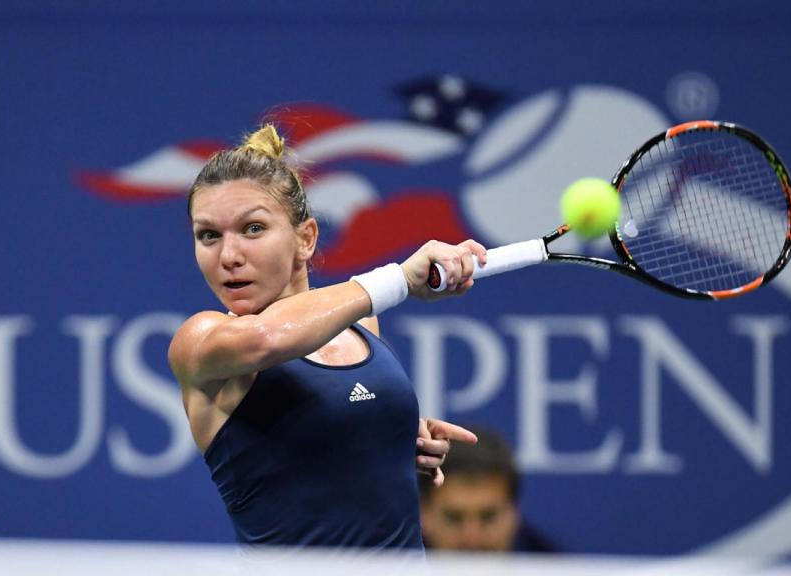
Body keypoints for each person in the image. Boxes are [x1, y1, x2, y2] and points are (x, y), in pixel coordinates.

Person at [167, 124, 481, 551]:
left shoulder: (362, 325)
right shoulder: (201, 343)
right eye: (209, 235)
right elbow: (268, 337)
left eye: (253, 229)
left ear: (306, 238)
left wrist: (390, 435)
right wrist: (398, 280)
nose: (229, 256)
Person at [419, 428, 557, 553]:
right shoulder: (404, 559)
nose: (472, 540)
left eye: (488, 517)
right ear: (424, 515)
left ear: (515, 513)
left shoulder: (556, 565)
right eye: (453, 518)